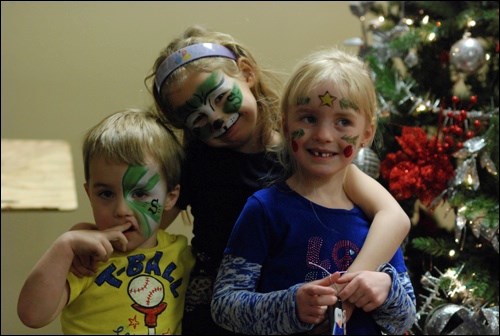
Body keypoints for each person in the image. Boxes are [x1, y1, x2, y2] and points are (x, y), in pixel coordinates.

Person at [147, 25, 411, 335]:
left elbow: (394, 217)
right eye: (197, 117)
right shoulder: (198, 165)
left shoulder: (309, 157)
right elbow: (145, 226)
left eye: (220, 97)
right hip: (226, 310)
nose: (216, 117)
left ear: (246, 73)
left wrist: (349, 288)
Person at [210, 47, 417, 335]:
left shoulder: (374, 223)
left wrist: (387, 290)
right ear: (284, 123)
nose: (323, 135)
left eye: (343, 121)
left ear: (366, 134)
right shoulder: (264, 209)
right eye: (308, 118)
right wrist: (290, 306)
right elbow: (224, 305)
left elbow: (405, 319)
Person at [17, 108, 195, 335]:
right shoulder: (84, 258)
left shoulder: (180, 253)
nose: (121, 210)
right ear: (89, 193)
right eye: (106, 194)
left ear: (170, 197)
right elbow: (32, 315)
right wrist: (64, 245)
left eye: (140, 194)